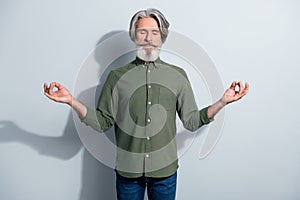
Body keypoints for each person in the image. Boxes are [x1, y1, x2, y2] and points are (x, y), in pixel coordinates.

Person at [44, 8, 249, 200]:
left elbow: (192, 121)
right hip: (128, 174)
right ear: (134, 36)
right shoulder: (116, 77)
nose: (148, 38)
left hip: (165, 175)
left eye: (154, 32)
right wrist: (71, 101)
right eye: (142, 32)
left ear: (162, 37)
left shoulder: (177, 76)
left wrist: (222, 102)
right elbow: (102, 122)